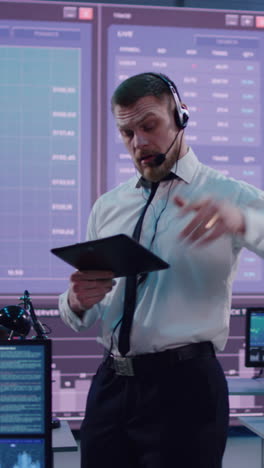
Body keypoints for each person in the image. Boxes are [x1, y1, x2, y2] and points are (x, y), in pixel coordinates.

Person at [59, 72, 264, 468]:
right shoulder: (108, 206)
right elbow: (82, 319)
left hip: (185, 389)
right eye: (127, 133)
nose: (139, 143)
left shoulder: (231, 196)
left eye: (149, 126)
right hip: (111, 387)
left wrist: (242, 222)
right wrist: (77, 302)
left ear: (180, 116)